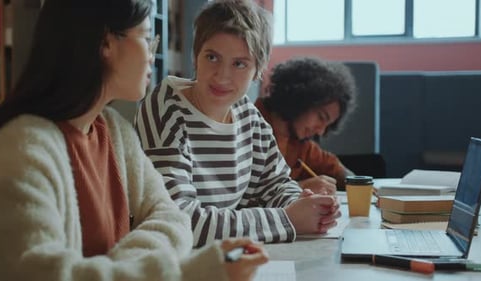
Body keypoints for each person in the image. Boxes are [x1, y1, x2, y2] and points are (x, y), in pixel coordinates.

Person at [0, 0, 268, 280]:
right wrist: (185, 274)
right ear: (106, 43)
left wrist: (125, 270)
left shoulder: (114, 131)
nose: (151, 54)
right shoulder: (23, 146)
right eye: (147, 38)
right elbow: (35, 274)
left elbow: (173, 217)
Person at [135, 0, 340, 248]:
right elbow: (179, 221)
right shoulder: (165, 108)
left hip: (226, 259)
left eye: (239, 63)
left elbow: (274, 186)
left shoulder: (248, 115)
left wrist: (306, 204)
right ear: (195, 56)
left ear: (257, 71)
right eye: (212, 57)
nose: (222, 75)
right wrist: (289, 219)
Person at [255, 57, 357, 191]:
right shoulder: (250, 125)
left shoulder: (301, 143)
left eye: (328, 125)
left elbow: (334, 168)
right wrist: (300, 187)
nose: (321, 131)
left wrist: (362, 186)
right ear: (301, 99)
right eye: (321, 117)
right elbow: (239, 198)